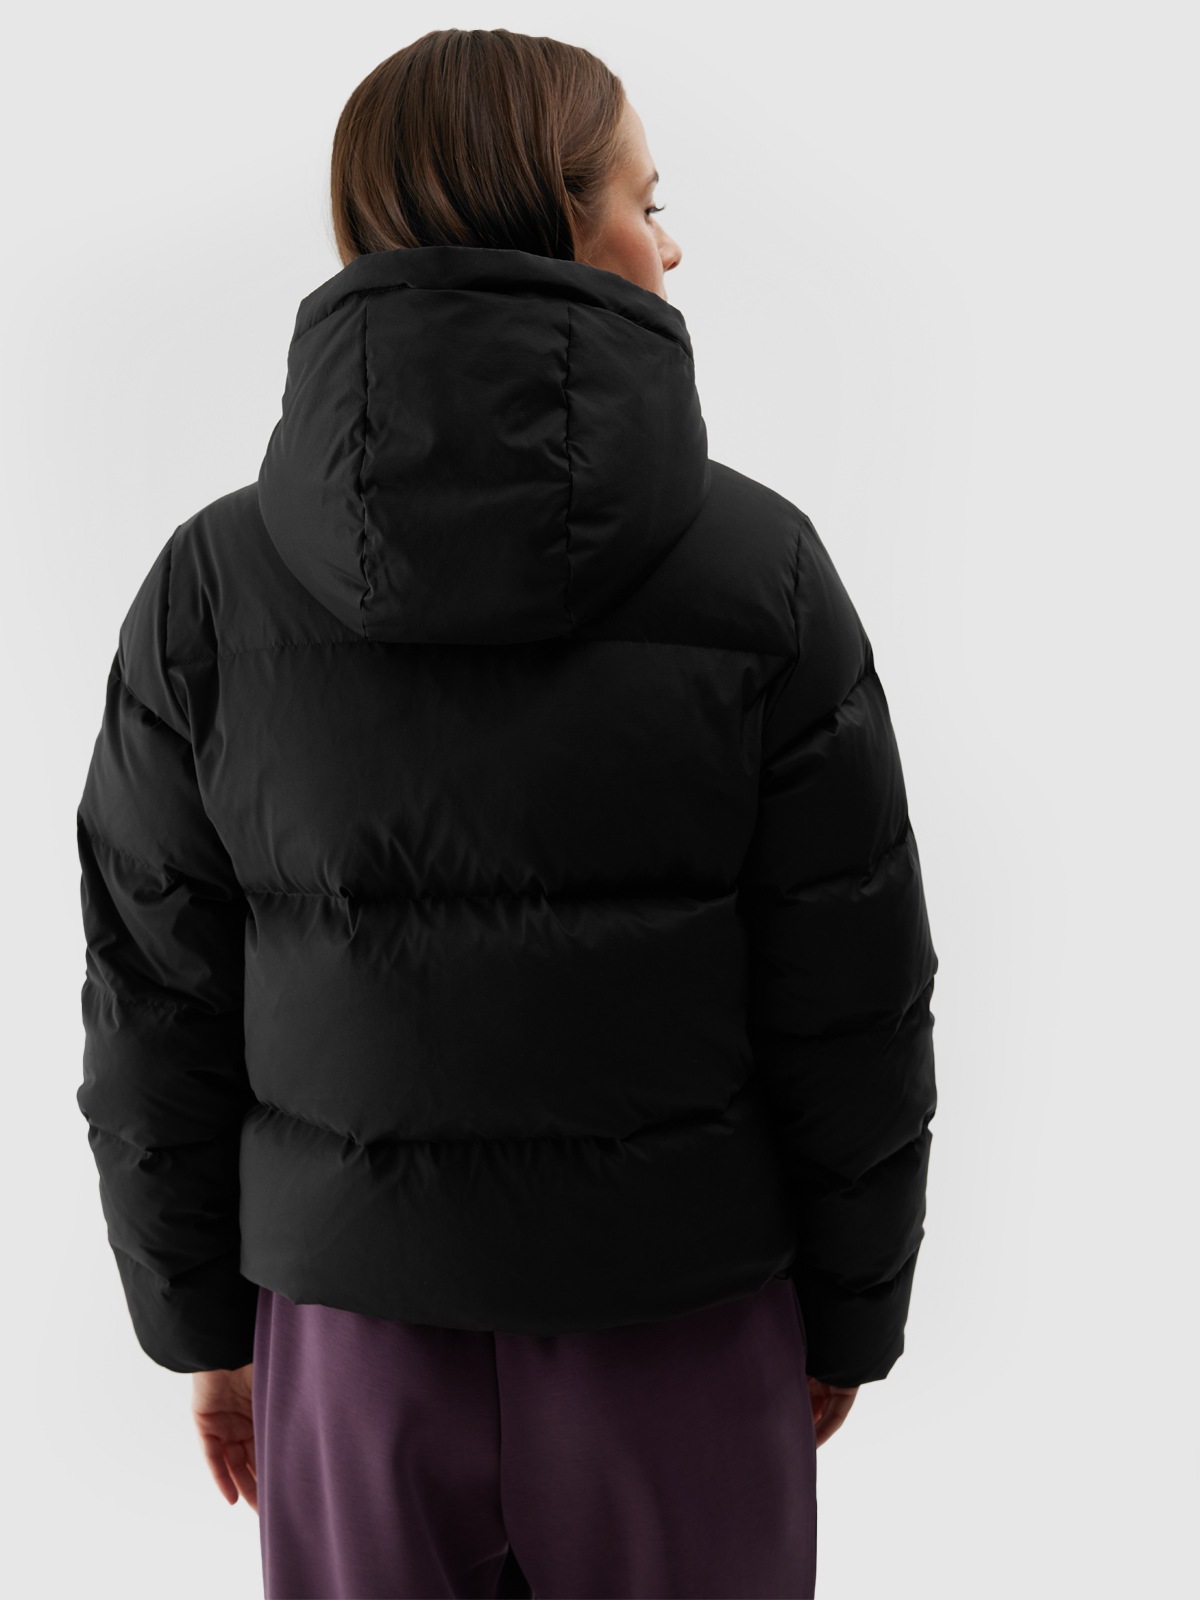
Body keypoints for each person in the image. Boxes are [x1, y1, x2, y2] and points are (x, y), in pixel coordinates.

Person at [74, 26, 938, 1600]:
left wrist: (202, 1327)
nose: (671, 243)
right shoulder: (766, 575)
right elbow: (854, 995)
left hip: (346, 1332)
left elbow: (155, 1003)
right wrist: (850, 1312)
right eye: (646, 200)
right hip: (683, 1320)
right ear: (559, 219)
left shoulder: (207, 590)